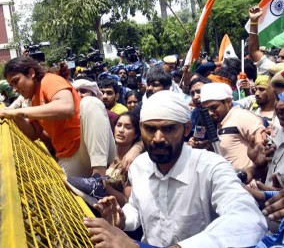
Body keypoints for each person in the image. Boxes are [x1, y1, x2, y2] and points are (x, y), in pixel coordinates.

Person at [87, 90, 267, 247]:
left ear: (186, 128)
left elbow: (248, 219)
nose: (157, 138)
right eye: (150, 129)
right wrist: (123, 218)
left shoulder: (211, 167)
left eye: (168, 129)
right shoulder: (139, 167)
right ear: (141, 130)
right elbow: (137, 208)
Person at [0, 56, 115, 204]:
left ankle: (98, 181)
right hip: (69, 156)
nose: (15, 89)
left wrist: (17, 112)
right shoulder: (33, 99)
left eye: (16, 81)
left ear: (31, 73)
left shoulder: (49, 80)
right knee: (60, 210)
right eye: (12, 85)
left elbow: (66, 107)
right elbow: (33, 132)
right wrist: (9, 114)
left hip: (89, 147)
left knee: (90, 103)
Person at [200, 82, 264, 170]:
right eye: (206, 109)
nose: (210, 113)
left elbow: (261, 144)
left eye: (214, 107)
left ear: (228, 102)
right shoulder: (220, 122)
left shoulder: (241, 116)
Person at [249, 6, 284, 75]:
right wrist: (254, 22)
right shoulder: (275, 70)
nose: (278, 60)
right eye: (278, 57)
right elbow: (254, 52)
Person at [106, 112, 140, 207]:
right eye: (119, 125)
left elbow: (127, 202)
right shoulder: (105, 151)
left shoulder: (134, 162)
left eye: (127, 127)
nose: (121, 130)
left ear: (136, 134)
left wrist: (104, 186)